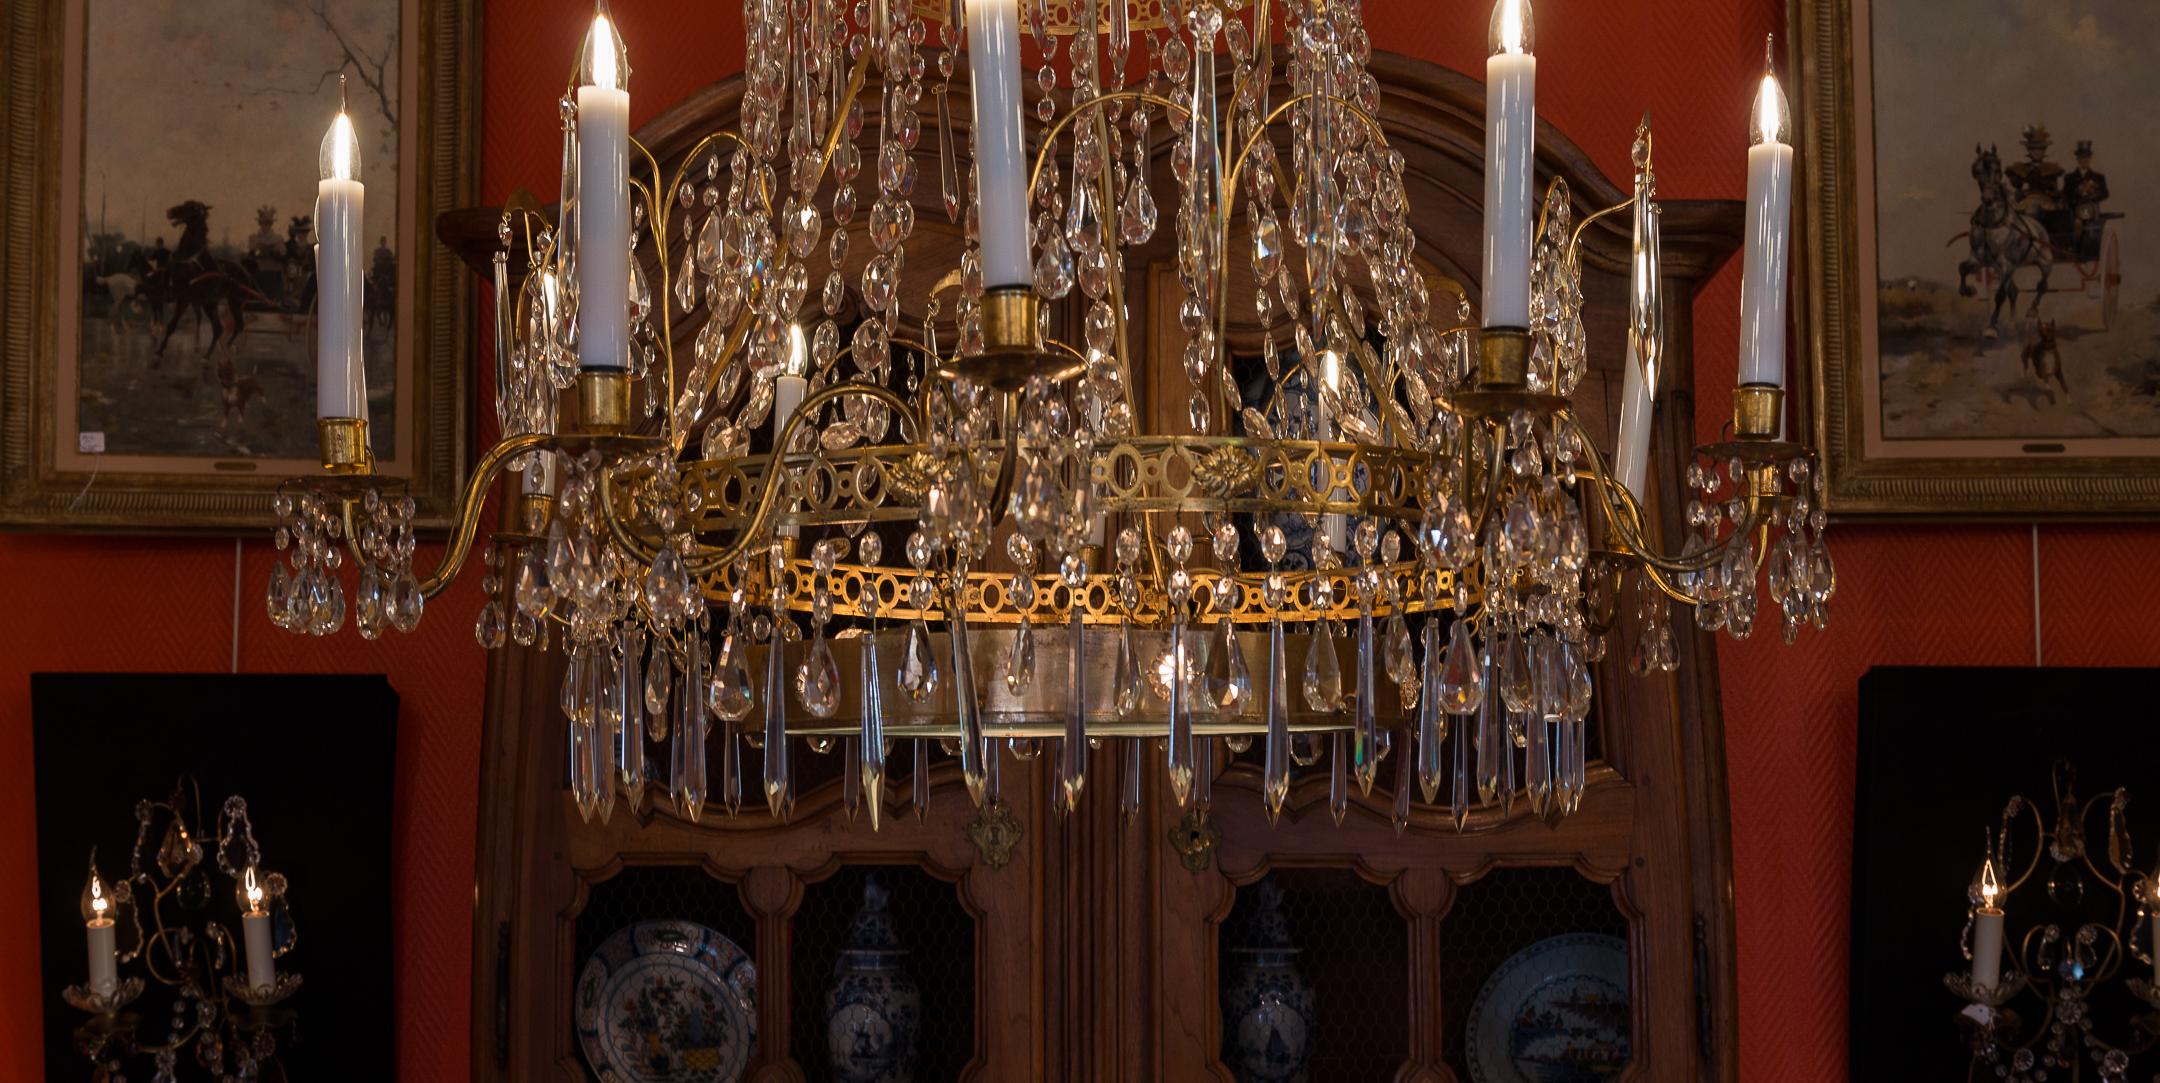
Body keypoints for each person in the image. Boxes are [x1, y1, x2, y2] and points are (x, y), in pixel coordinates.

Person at [2062, 140, 2111, 252]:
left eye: (2087, 157)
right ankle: (2075, 247)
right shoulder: (2069, 178)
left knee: (2092, 225)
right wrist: (2077, 193)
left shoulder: (2098, 177)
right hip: (2075, 210)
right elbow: (2065, 194)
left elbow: (2105, 193)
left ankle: (2090, 246)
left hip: (2092, 210)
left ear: (2090, 159)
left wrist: (2093, 195)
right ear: (2078, 159)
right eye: (2082, 158)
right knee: (2074, 223)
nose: (2084, 160)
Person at [2005, 124, 2063, 215]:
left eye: (2040, 149)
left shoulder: (2052, 169)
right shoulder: (2021, 168)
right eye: (2033, 149)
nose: (2037, 152)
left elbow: (2055, 190)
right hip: (2026, 203)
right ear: (2029, 150)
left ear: (2044, 150)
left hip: (2047, 204)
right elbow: (2016, 186)